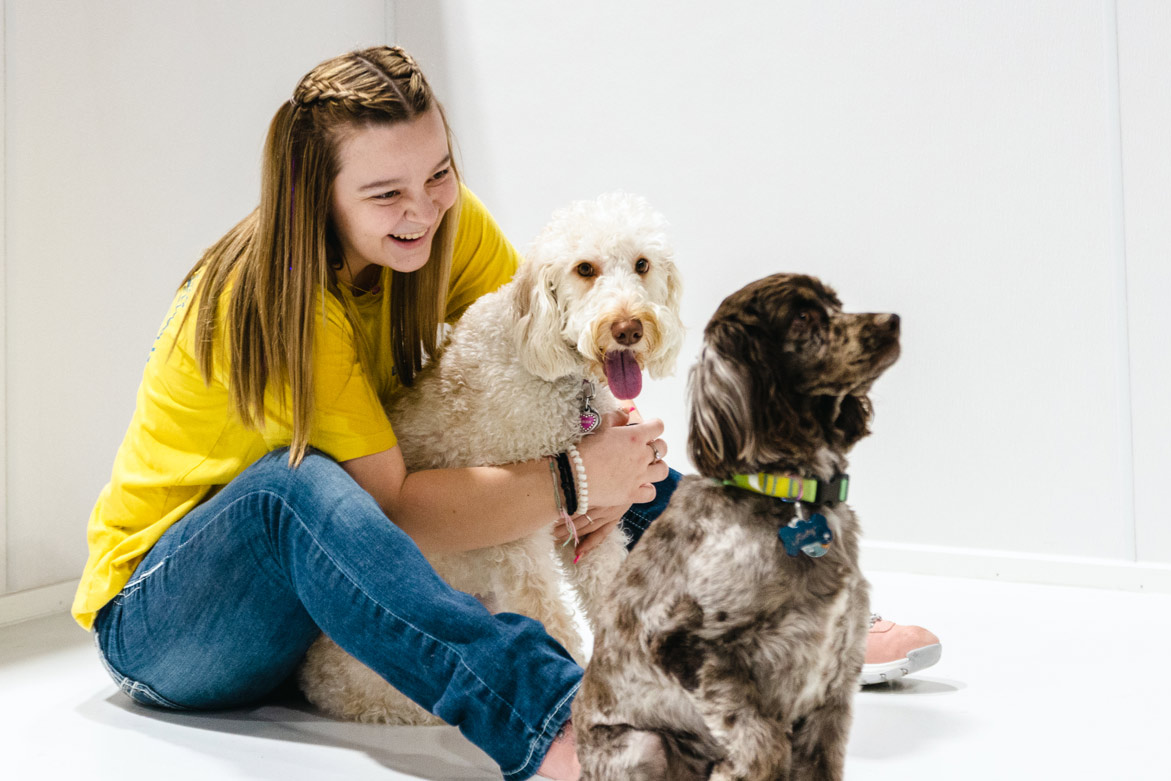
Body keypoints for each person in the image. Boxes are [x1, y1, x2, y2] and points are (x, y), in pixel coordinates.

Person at [72, 46, 937, 781]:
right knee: (293, 488)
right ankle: (556, 721)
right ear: (316, 195)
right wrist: (567, 480)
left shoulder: (437, 222)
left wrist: (605, 458)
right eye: (384, 193)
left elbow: (547, 344)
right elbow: (394, 509)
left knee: (574, 411)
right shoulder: (277, 302)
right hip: (173, 626)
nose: (423, 207)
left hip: (328, 600)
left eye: (439, 172)